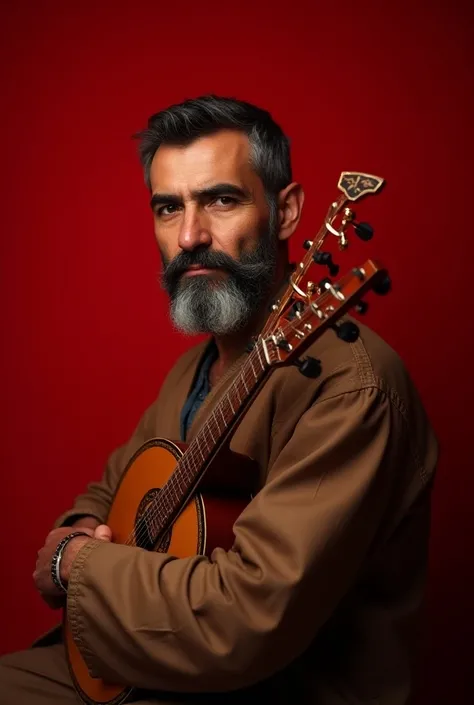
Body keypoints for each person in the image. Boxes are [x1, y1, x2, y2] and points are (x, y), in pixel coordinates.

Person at [0, 95, 438, 705]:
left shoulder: (351, 387)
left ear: (285, 212)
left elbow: (248, 617)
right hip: (146, 661)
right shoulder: (197, 365)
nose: (189, 236)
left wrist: (78, 566)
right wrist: (77, 528)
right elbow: (117, 486)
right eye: (167, 208)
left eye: (221, 199)